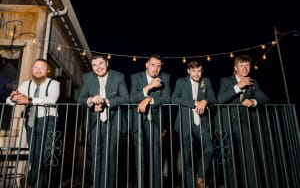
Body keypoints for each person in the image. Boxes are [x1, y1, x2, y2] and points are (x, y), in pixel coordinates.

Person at [216, 54, 270, 188]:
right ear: (235, 68)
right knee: (230, 160)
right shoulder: (226, 81)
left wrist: (253, 101)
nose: (245, 68)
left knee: (250, 158)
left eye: (247, 65)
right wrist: (238, 86)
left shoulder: (253, 82)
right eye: (242, 66)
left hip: (245, 126)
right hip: (227, 125)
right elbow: (220, 99)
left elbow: (265, 99)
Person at [6, 58, 60, 188]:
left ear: (47, 70)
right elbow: (9, 101)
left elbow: (52, 99)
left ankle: (29, 181)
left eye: (41, 68)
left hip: (49, 120)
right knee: (34, 154)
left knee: (44, 154)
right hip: (31, 121)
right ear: (32, 69)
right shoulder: (26, 84)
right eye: (35, 68)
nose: (38, 71)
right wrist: (13, 98)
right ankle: (37, 185)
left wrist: (29, 100)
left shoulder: (54, 83)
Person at [77, 54, 129, 188]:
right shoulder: (87, 78)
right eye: (94, 65)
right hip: (94, 124)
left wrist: (108, 101)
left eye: (101, 64)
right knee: (96, 158)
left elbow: (125, 98)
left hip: (113, 124)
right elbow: (81, 98)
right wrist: (90, 100)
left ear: (107, 63)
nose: (98, 67)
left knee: (110, 159)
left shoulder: (118, 77)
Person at [171, 60, 216, 188]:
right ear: (188, 71)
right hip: (184, 122)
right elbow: (174, 99)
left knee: (209, 149)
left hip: (201, 122)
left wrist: (205, 101)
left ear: (202, 71)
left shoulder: (205, 82)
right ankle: (190, 184)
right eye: (193, 71)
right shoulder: (181, 82)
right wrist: (194, 102)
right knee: (186, 156)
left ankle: (200, 176)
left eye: (199, 71)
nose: (196, 74)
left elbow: (213, 99)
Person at [129, 53, 171, 188]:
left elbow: (167, 98)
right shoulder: (135, 78)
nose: (156, 69)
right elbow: (131, 99)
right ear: (147, 65)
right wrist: (148, 87)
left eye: (159, 66)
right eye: (153, 65)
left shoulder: (165, 78)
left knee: (156, 158)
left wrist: (149, 99)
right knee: (140, 159)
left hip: (156, 124)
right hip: (138, 122)